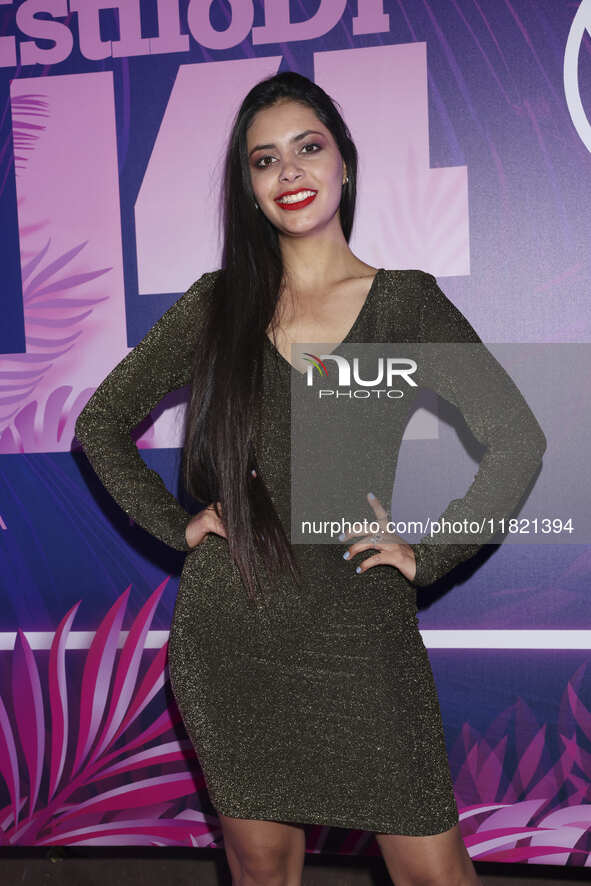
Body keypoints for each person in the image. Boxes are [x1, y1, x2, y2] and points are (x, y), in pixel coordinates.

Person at [75, 71, 546, 886]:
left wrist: (428, 553)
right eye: (264, 161)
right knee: (263, 871)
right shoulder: (215, 305)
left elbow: (518, 438)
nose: (288, 172)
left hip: (359, 627)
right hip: (236, 629)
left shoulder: (402, 304)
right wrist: (176, 524)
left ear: (344, 166)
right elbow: (99, 425)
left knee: (437, 875)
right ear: (250, 190)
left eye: (307, 148)